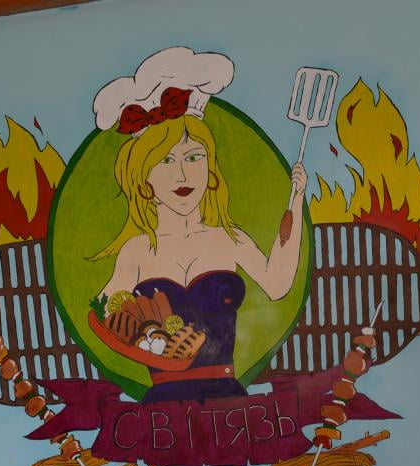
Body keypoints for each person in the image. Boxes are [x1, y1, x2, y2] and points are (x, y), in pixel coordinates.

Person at [90, 49, 305, 403]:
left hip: (225, 396)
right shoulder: (137, 250)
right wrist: (145, 339)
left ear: (210, 170)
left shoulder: (230, 238)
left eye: (193, 158)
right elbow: (104, 312)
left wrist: (296, 202)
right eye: (165, 161)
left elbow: (277, 284)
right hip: (163, 402)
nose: (182, 174)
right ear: (143, 180)